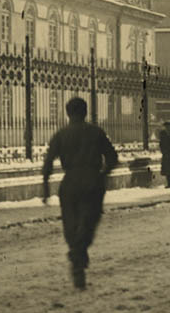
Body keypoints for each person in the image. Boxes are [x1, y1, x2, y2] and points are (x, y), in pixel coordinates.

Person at [42, 97, 119, 289]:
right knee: (88, 222)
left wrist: (45, 188)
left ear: (68, 113)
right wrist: (104, 174)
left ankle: (76, 256)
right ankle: (79, 255)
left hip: (70, 183)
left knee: (71, 223)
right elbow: (112, 157)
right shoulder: (96, 132)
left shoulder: (61, 134)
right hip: (93, 181)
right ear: (85, 112)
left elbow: (48, 162)